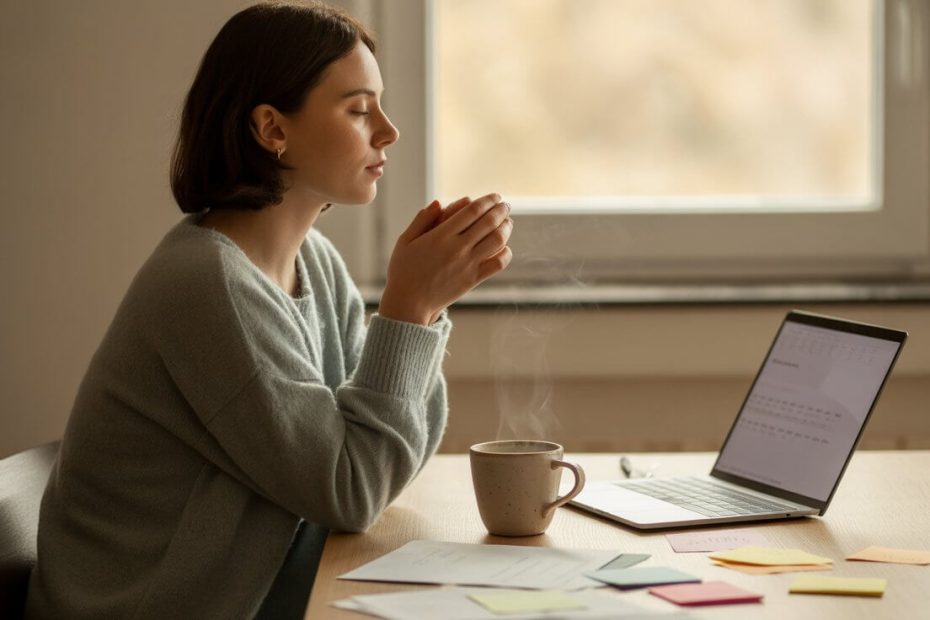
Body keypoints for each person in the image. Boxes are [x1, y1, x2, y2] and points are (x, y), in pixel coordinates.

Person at [25, 1, 513, 618]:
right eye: (360, 109)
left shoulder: (317, 264)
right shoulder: (207, 284)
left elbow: (388, 463)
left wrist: (425, 308)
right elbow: (353, 491)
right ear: (272, 130)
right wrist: (409, 310)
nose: (388, 130)